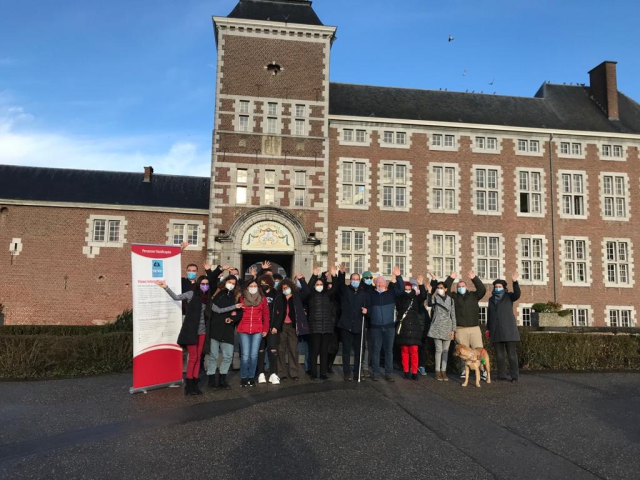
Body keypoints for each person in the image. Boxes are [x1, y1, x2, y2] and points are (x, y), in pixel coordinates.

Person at [157, 276, 239, 395]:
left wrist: (234, 306)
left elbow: (219, 310)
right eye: (202, 283)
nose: (204, 285)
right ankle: (189, 385)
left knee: (198, 358)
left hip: (202, 332)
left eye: (206, 284)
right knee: (193, 357)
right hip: (191, 331)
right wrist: (166, 287)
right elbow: (176, 297)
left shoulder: (208, 299)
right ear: (199, 284)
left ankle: (195, 385)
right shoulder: (191, 294)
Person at [444, 270, 487, 380]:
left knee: (479, 350)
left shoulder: (474, 295)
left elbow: (482, 290)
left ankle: (482, 370)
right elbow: (445, 290)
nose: (461, 288)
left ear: (467, 287)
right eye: (459, 286)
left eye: (463, 286)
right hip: (460, 328)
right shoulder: (454, 297)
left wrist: (474, 278)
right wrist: (451, 278)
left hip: (474, 328)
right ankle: (464, 370)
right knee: (463, 351)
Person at [368, 265, 404, 382]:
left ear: (385, 285)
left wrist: (398, 276)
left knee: (389, 351)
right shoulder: (371, 295)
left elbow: (401, 289)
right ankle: (375, 373)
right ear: (375, 285)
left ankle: (388, 373)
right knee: (376, 351)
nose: (380, 285)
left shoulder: (391, 293)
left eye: (382, 284)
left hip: (389, 326)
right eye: (378, 284)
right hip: (375, 327)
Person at [207, 275, 243, 390]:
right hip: (216, 328)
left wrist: (232, 318)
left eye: (233, 283)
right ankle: (211, 380)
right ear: (225, 282)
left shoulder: (236, 296)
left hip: (228, 329)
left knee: (228, 356)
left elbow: (239, 312)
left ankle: (222, 379)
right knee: (213, 356)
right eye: (229, 282)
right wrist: (231, 309)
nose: (231, 284)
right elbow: (216, 309)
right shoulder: (218, 294)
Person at [336, 265, 370, 381]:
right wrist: (341, 274)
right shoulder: (346, 290)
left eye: (357, 279)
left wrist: (367, 311)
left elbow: (369, 307)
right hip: (346, 325)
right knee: (346, 350)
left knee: (358, 351)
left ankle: (357, 372)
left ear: (359, 281)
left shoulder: (364, 293)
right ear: (350, 280)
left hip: (359, 325)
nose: (355, 281)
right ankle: (347, 372)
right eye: (353, 279)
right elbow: (340, 285)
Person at [274, 273, 310, 381]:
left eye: (287, 287)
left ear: (291, 287)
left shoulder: (297, 296)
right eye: (283, 287)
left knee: (293, 350)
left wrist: (301, 279)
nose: (285, 289)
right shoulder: (279, 298)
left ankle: (294, 372)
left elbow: (307, 291)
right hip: (282, 326)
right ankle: (282, 373)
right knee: (280, 350)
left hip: (293, 326)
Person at [487, 272, 521, 383]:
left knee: (511, 355)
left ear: (504, 288)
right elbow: (490, 315)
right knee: (499, 355)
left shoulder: (509, 296)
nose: (497, 288)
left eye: (499, 286)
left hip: (509, 330)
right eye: (496, 287)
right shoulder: (491, 299)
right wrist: (488, 328)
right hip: (496, 331)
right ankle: (501, 375)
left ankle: (514, 376)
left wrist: (515, 282)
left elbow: (517, 294)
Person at [236, 279, 270, 387]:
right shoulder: (241, 298)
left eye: (255, 285)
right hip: (243, 329)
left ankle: (251, 377)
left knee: (254, 355)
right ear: (247, 287)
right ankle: (244, 377)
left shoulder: (263, 299)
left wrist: (265, 329)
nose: (253, 287)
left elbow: (266, 315)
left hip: (257, 330)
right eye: (251, 285)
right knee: (245, 355)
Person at [307, 267, 337, 380]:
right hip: (315, 327)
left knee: (324, 351)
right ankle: (314, 372)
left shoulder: (327, 295)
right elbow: (307, 288)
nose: (319, 285)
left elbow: (335, 288)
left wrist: (334, 276)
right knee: (314, 351)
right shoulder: (311, 296)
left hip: (327, 327)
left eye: (321, 284)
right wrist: (314, 276)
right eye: (317, 284)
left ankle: (323, 373)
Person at [395, 276, 427, 381]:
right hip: (404, 327)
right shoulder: (400, 299)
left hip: (414, 328)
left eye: (409, 288)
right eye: (406, 288)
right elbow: (396, 294)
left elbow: (423, 295)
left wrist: (421, 285)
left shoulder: (415, 299)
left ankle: (414, 372)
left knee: (414, 351)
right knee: (404, 351)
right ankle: (405, 371)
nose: (407, 290)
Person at [427, 281, 456, 381]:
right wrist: (429, 292)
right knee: (438, 350)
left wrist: (453, 330)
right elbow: (429, 303)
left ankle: (444, 371)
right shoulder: (435, 298)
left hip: (448, 327)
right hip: (437, 327)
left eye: (441, 287)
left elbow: (453, 315)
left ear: (446, 289)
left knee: (445, 351)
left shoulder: (451, 300)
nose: (440, 289)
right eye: (438, 287)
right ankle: (437, 371)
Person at [256, 274, 282, 385]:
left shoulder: (277, 295)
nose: (263, 285)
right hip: (260, 326)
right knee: (260, 350)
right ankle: (261, 372)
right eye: (261, 284)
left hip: (272, 327)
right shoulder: (258, 294)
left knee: (272, 349)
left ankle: (273, 373)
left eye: (265, 283)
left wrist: (276, 326)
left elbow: (280, 312)